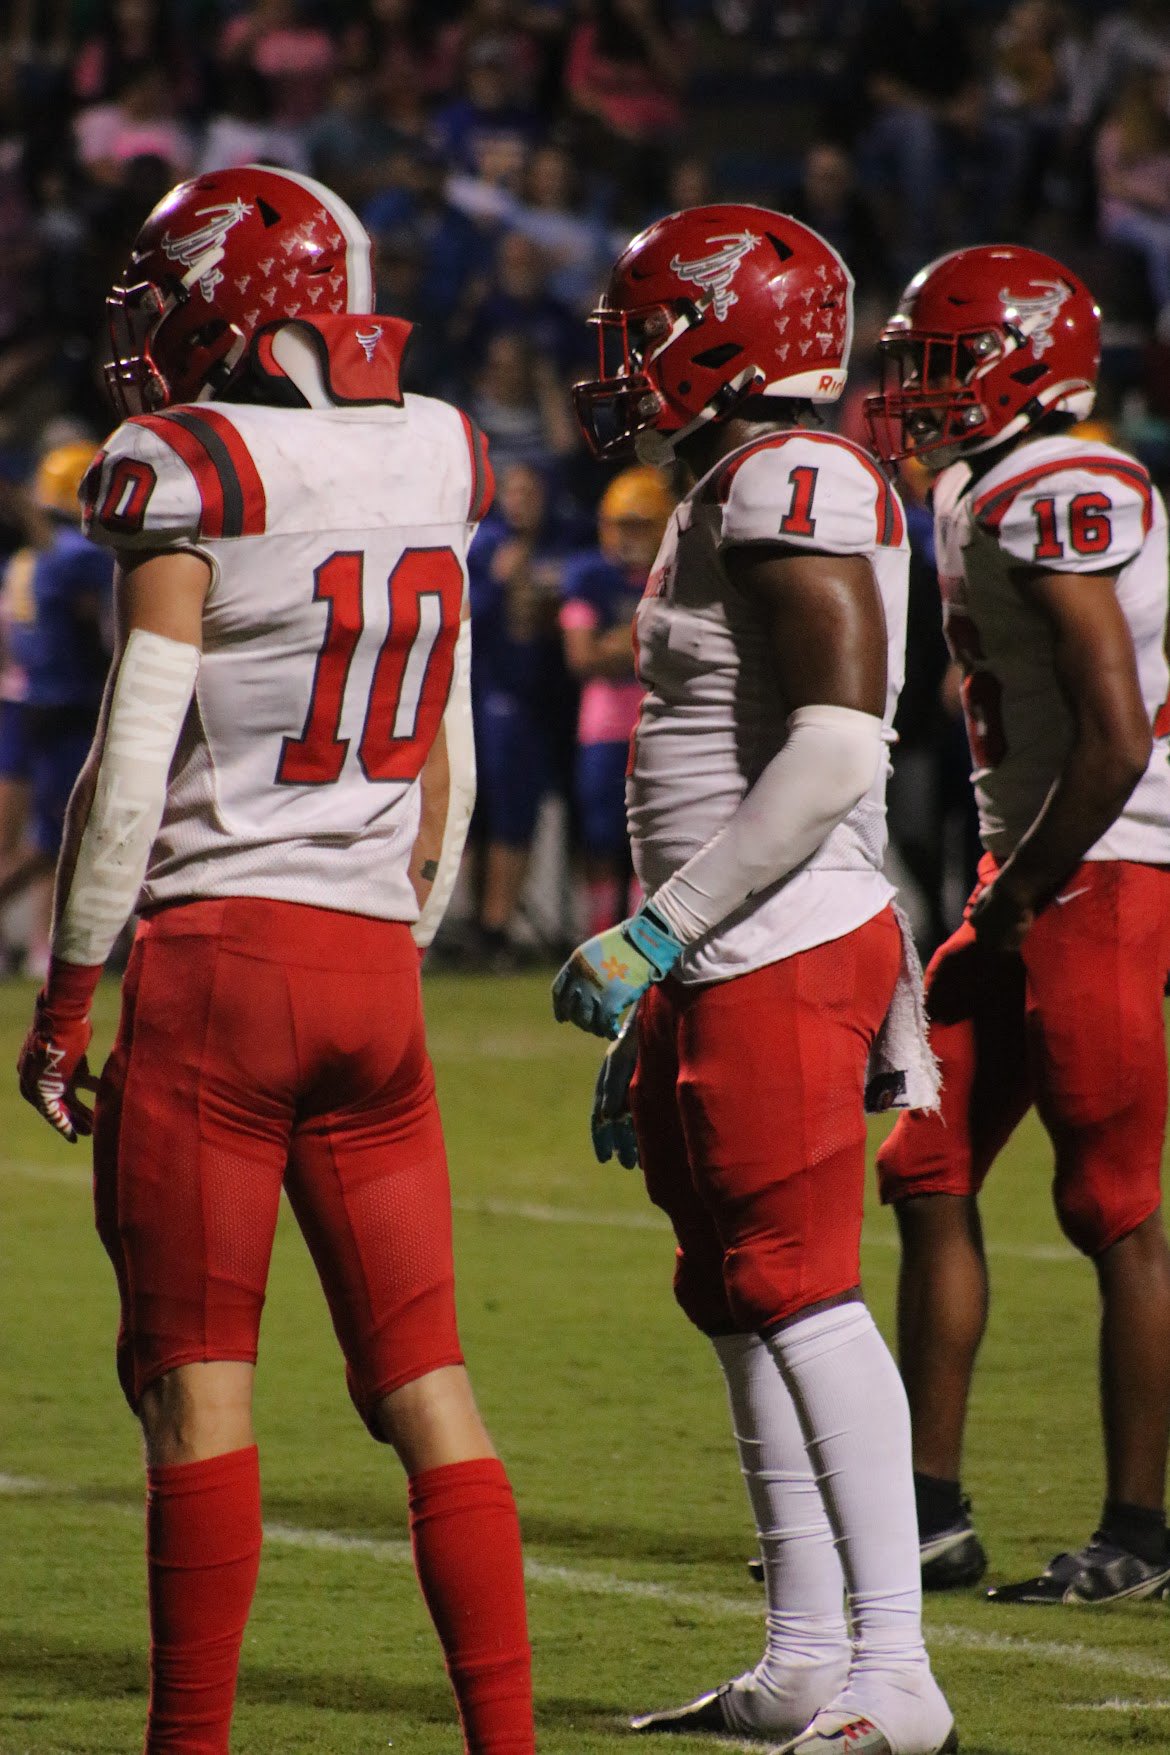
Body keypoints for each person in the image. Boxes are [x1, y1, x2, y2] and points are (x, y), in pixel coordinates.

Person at [15, 163, 533, 1755]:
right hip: (372, 964)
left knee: (196, 1384)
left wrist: (66, 998)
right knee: (428, 1383)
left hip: (219, 964)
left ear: (227, 307)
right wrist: (406, 915)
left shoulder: (188, 462)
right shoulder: (441, 444)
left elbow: (128, 758)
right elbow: (444, 735)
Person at [552, 204, 955, 1755]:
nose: (622, 357)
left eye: (645, 325)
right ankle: (800, 1654)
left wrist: (662, 929)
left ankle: (896, 1675)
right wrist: (669, 968)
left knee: (801, 1291)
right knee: (730, 1291)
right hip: (726, 943)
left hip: (778, 936)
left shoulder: (794, 474)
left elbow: (840, 745)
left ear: (720, 332)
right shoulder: (733, 478)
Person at [867, 243, 1170, 1604]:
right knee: (923, 1163)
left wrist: (1021, 886)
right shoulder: (972, 485)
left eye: (937, 364)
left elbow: (1114, 739)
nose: (913, 390)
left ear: (1021, 367)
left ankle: (1139, 1533)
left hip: (1099, 867)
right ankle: (927, 1511)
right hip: (1037, 867)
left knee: (1112, 1204)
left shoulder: (1062, 487)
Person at [0, 440, 113, 975]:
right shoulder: (80, 556)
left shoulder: (31, 558)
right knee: (56, 838)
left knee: (57, 836)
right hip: (71, 706)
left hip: (33, 704)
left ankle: (53, 947)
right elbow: (103, 633)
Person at [559, 464, 672, 935]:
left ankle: (642, 931)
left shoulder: (676, 574)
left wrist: (619, 644)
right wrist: (647, 640)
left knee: (657, 837)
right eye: (622, 524)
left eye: (640, 525)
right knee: (602, 837)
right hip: (605, 728)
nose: (628, 537)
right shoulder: (589, 575)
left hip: (660, 725)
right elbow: (583, 657)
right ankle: (602, 929)